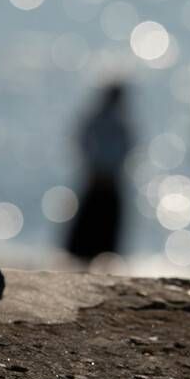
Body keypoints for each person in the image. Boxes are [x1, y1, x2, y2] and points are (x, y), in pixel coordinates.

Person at [66, 82, 133, 261]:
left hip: (104, 179)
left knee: (100, 234)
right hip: (102, 180)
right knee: (94, 232)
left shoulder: (114, 120)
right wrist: (99, 167)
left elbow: (84, 142)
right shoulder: (112, 120)